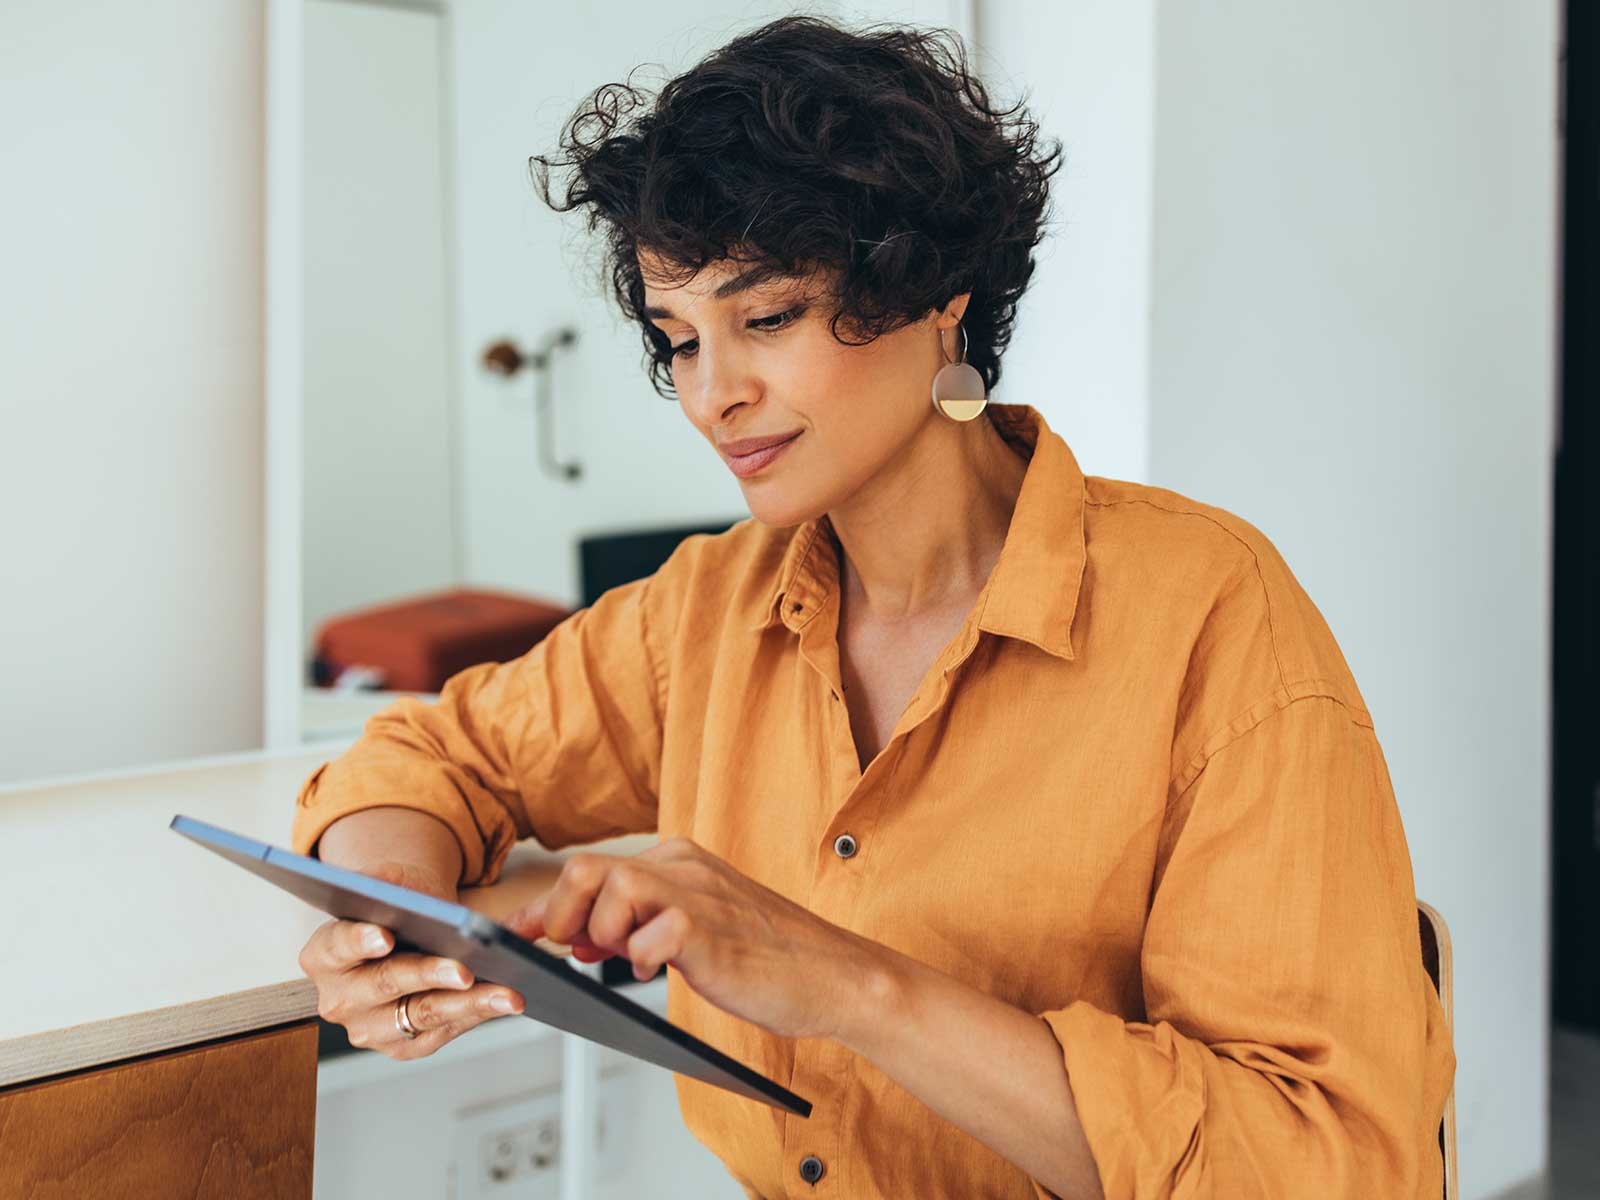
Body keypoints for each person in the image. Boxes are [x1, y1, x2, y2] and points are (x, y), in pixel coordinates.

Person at [291, 15, 1454, 1199]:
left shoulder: (1210, 617)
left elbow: (1325, 1164)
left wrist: (840, 979)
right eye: (678, 338)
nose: (713, 396)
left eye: (769, 317)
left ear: (937, 290)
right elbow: (427, 758)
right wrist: (397, 926)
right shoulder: (703, 613)